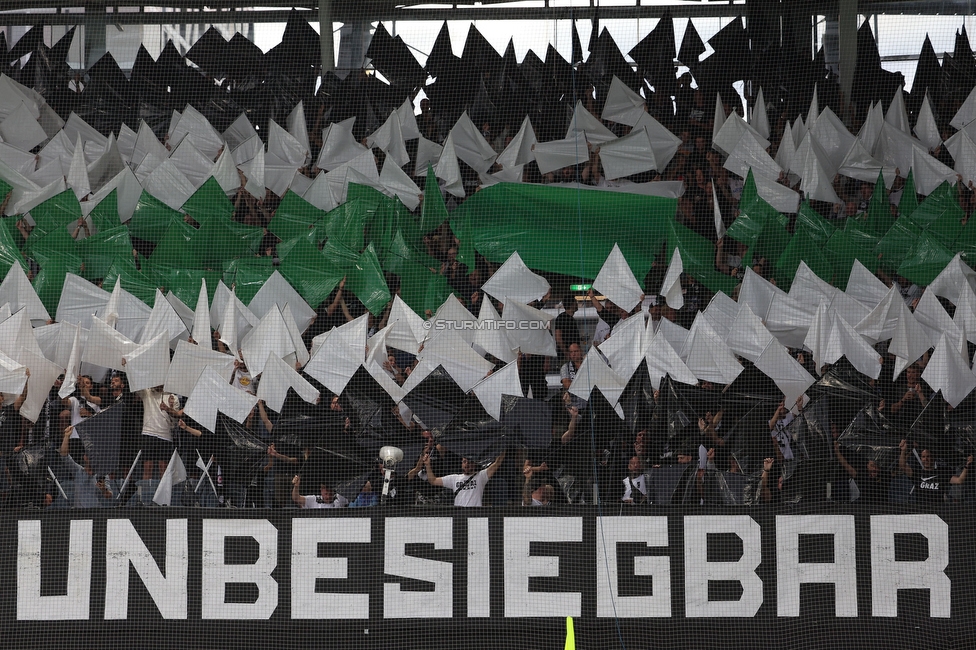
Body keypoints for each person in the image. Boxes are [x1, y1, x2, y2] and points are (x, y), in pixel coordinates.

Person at [898, 439, 972, 506]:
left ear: (933, 457)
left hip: (938, 512)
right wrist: (903, 451)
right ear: (921, 458)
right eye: (923, 457)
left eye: (928, 456)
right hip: (921, 511)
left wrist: (967, 465)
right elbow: (903, 466)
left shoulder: (942, 473)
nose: (926, 459)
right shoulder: (917, 473)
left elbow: (960, 480)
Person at [424, 450, 506, 507]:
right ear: (461, 464)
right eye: (464, 462)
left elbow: (497, 463)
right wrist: (427, 465)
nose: (467, 464)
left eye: (469, 462)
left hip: (476, 515)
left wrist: (503, 446)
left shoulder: (481, 476)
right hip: (459, 515)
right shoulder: (454, 478)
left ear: (474, 464)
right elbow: (433, 481)